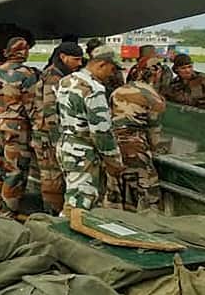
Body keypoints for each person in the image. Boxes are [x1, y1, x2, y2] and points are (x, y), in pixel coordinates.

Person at [56, 46, 125, 213]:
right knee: (81, 203)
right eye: (112, 68)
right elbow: (101, 132)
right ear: (101, 64)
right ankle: (66, 235)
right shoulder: (94, 90)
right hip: (83, 152)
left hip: (66, 145)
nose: (112, 74)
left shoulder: (66, 81)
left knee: (73, 194)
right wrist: (114, 160)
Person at [0, 37, 40, 213]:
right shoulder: (27, 74)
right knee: (15, 171)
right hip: (16, 127)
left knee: (0, 168)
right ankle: (8, 211)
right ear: (23, 52)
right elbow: (32, 104)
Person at [31, 41, 84, 214]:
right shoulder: (54, 76)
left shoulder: (61, 74)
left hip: (50, 133)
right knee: (52, 177)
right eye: (76, 59)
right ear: (63, 57)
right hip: (48, 135)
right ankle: (51, 213)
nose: (79, 63)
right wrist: (57, 141)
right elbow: (50, 109)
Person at [109, 56, 167, 210]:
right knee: (148, 185)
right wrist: (155, 150)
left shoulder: (117, 91)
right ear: (157, 73)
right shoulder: (151, 95)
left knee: (118, 184)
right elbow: (154, 128)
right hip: (135, 143)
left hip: (113, 143)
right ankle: (149, 216)